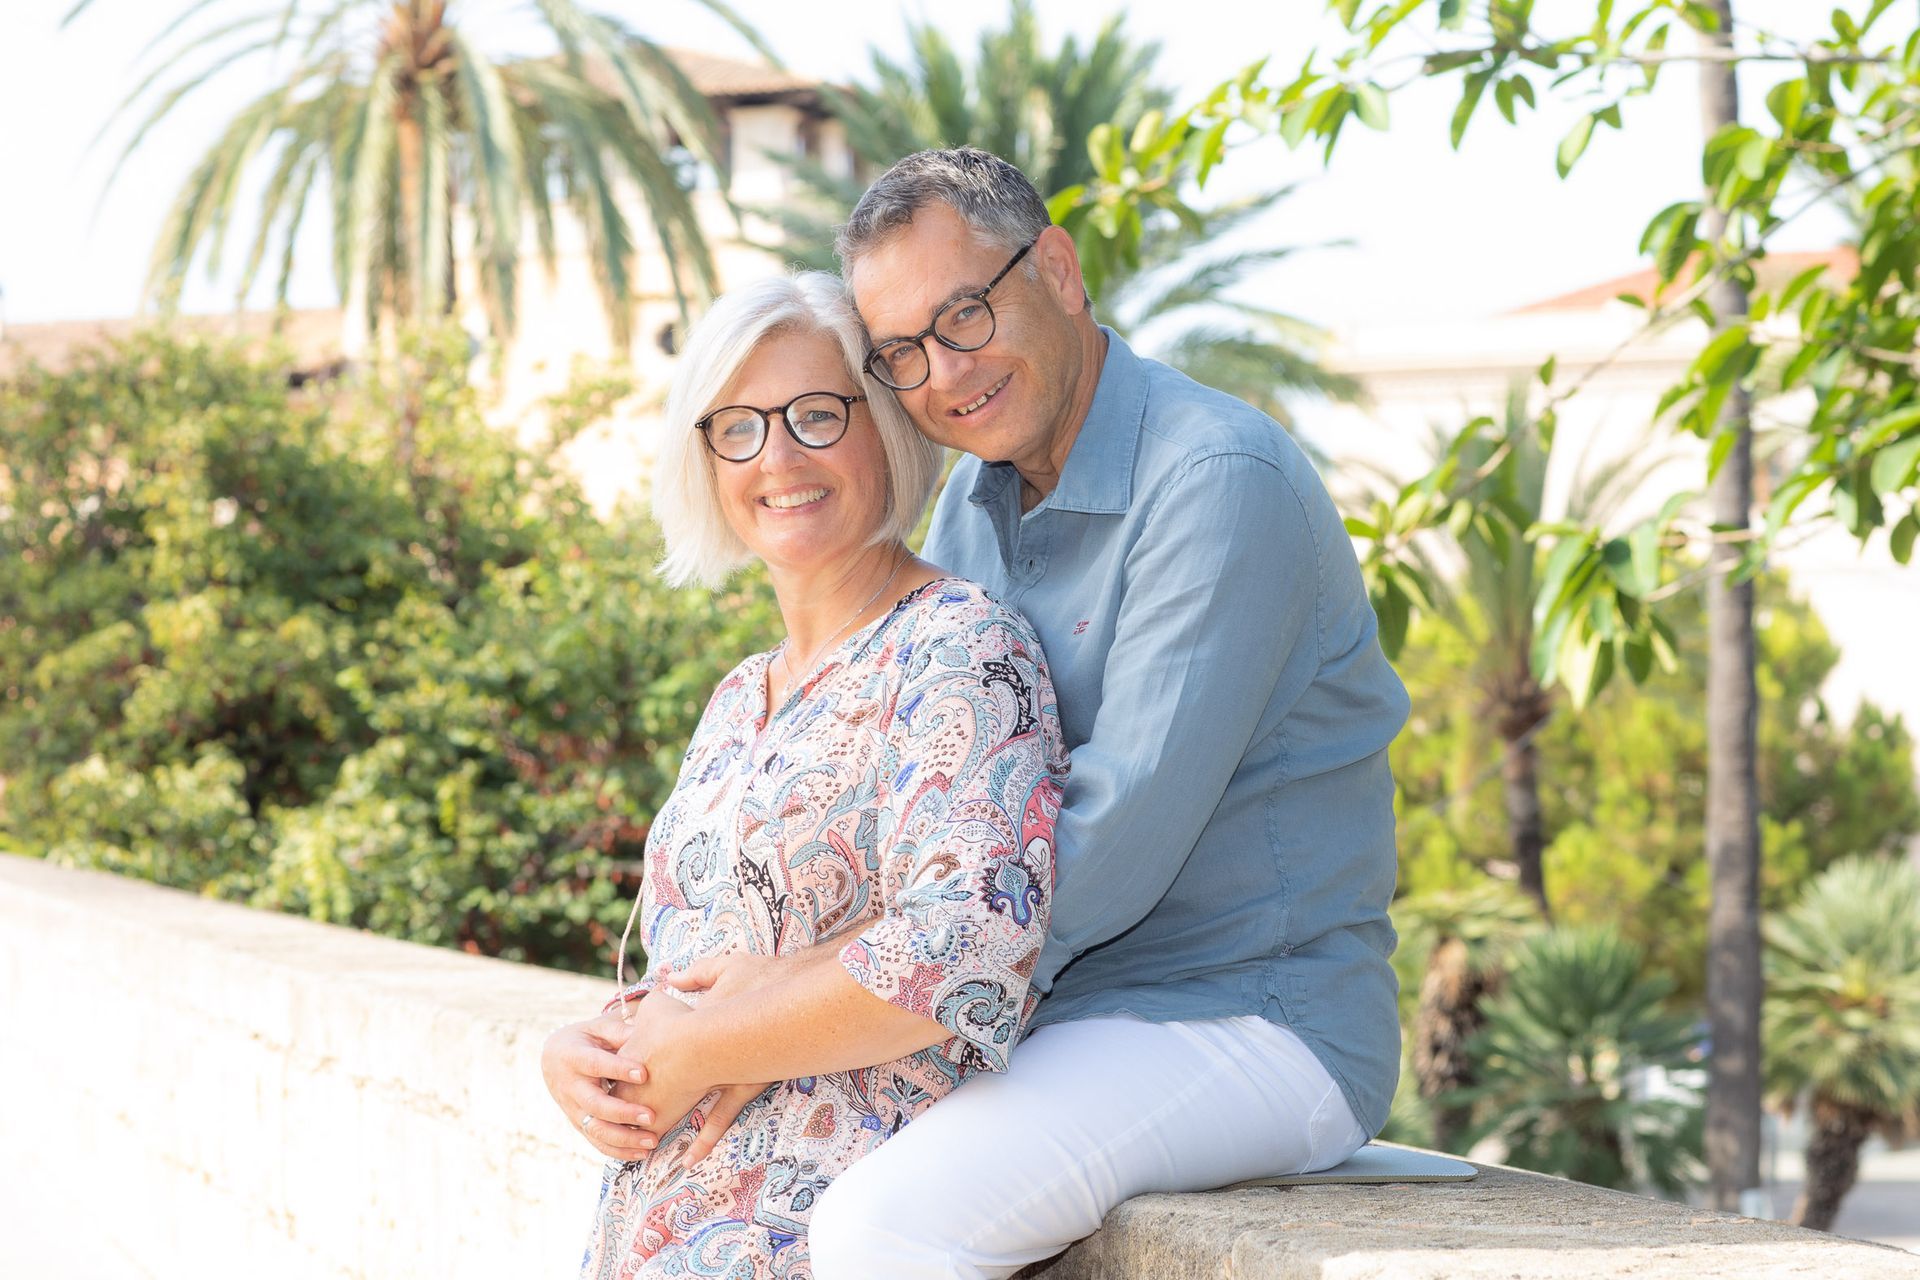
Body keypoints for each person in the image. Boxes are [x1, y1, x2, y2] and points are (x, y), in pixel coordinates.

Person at [681, 147, 1413, 1278]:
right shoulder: (971, 511)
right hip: (1028, 1018)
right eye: (903, 352)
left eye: (964, 315)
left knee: (885, 1224)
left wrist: (788, 1001)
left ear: (1059, 270)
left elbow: (1103, 853)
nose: (944, 373)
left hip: (1244, 1016)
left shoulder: (1216, 478)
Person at [540, 271, 1067, 1279]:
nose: (776, 457)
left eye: (816, 415)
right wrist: (590, 1048)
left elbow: (970, 943)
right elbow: (707, 963)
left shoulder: (958, 648)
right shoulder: (739, 696)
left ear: (885, 429)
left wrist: (710, 1046)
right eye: (736, 427)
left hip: (818, 1237)